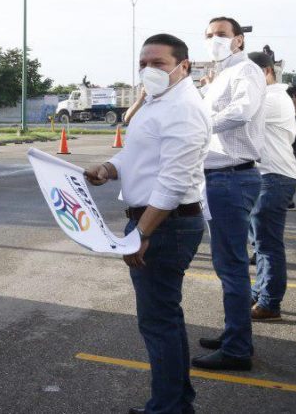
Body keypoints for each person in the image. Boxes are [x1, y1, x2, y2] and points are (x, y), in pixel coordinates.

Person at [85, 33, 210, 414]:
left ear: (183, 66)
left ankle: (168, 407)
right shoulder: (160, 102)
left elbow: (172, 182)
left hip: (164, 226)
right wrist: (109, 168)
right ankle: (175, 403)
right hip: (159, 223)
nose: (148, 70)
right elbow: (138, 154)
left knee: (158, 322)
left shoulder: (184, 109)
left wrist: (142, 234)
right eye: (143, 64)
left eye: (158, 63)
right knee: (164, 318)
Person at [193, 16, 264, 372]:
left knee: (232, 266)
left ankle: (237, 349)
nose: (214, 40)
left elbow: (242, 111)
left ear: (238, 40)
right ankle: (234, 332)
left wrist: (200, 125)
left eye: (221, 35)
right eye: (208, 35)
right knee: (227, 265)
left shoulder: (245, 71)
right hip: (219, 179)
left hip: (231, 178)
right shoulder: (221, 74)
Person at [245, 51, 296, 322]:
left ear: (266, 72)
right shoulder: (271, 96)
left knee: (267, 244)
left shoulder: (274, 99)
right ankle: (260, 292)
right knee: (261, 242)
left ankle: (270, 303)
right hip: (268, 176)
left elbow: (235, 114)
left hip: (273, 177)